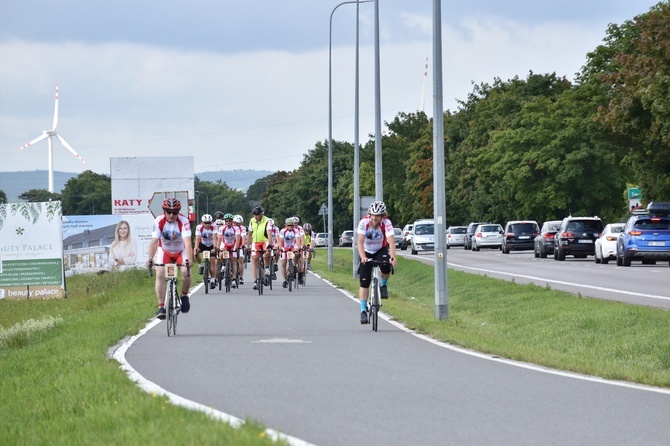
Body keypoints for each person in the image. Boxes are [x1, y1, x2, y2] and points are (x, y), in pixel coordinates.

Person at [146, 197, 194, 319]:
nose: (172, 215)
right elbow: (154, 242)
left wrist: (190, 260)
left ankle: (184, 296)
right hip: (165, 251)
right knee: (160, 273)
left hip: (180, 251)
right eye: (169, 212)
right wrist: (150, 258)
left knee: (185, 272)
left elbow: (188, 242)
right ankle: (161, 307)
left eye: (175, 212)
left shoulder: (184, 221)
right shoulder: (159, 221)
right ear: (164, 211)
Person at [356, 201, 397, 324]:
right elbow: (360, 242)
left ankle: (383, 285)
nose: (375, 218)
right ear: (370, 214)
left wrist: (393, 257)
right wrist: (363, 257)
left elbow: (391, 241)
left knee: (386, 266)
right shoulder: (364, 222)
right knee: (364, 281)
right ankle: (363, 310)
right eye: (373, 215)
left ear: (382, 216)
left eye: (378, 216)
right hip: (367, 251)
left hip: (380, 249)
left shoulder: (386, 223)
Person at [246, 205, 272, 290]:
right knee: (255, 258)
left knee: (266, 254)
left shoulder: (267, 220)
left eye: (257, 215)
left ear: (261, 214)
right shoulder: (252, 220)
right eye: (254, 215)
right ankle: (255, 281)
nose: (255, 217)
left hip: (265, 241)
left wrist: (270, 244)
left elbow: (269, 233)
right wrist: (248, 246)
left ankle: (267, 267)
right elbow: (249, 233)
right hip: (256, 242)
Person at [217, 213, 241, 288]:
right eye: (226, 221)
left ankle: (234, 279)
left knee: (234, 260)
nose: (228, 222)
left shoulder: (236, 228)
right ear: (225, 221)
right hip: (225, 244)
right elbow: (220, 238)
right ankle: (224, 265)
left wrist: (237, 247)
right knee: (221, 254)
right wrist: (218, 247)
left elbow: (237, 238)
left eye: (230, 221)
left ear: (232, 221)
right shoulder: (222, 228)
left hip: (233, 245)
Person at [194, 213, 217, 289]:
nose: (207, 225)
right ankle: (200, 265)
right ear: (202, 222)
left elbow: (214, 238)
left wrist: (214, 247)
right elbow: (197, 238)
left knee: (213, 260)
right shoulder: (199, 227)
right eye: (205, 223)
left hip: (211, 244)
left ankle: (213, 280)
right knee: (195, 253)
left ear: (211, 222)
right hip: (203, 244)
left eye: (209, 223)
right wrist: (196, 248)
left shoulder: (214, 226)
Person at [278, 217, 301, 288]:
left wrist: (299, 247)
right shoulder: (283, 231)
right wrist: (280, 248)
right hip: (285, 246)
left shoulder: (296, 231)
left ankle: (294, 266)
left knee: (297, 254)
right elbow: (281, 240)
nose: (290, 227)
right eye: (288, 225)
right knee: (283, 263)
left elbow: (297, 239)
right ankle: (284, 280)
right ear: (286, 225)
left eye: (291, 225)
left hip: (293, 246)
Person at [233, 214, 246, 285]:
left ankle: (241, 277)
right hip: (231, 245)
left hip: (239, 245)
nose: (237, 225)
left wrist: (243, 245)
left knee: (240, 260)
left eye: (239, 223)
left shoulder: (242, 228)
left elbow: (243, 237)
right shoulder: (231, 227)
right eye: (235, 223)